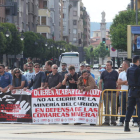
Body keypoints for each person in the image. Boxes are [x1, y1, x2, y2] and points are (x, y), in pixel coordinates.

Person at [117, 61, 139, 126]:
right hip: (122, 92)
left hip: (130, 92)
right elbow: (118, 83)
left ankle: (135, 121)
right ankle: (122, 120)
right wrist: (125, 82)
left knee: (132, 107)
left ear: (126, 65)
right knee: (123, 107)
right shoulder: (121, 73)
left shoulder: (131, 72)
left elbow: (130, 82)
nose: (122, 66)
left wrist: (123, 82)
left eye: (123, 64)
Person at [99, 61, 118, 126]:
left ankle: (113, 121)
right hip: (106, 92)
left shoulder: (115, 73)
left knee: (113, 107)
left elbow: (117, 82)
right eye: (106, 65)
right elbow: (100, 82)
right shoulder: (103, 73)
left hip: (113, 92)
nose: (107, 66)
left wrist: (118, 90)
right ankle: (106, 121)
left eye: (108, 65)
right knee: (106, 107)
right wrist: (101, 90)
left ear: (111, 66)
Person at [124, 56, 140, 132]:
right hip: (138, 90)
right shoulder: (138, 69)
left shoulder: (129, 70)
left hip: (131, 90)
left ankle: (126, 126)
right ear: (138, 61)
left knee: (130, 109)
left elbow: (128, 80)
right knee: (139, 109)